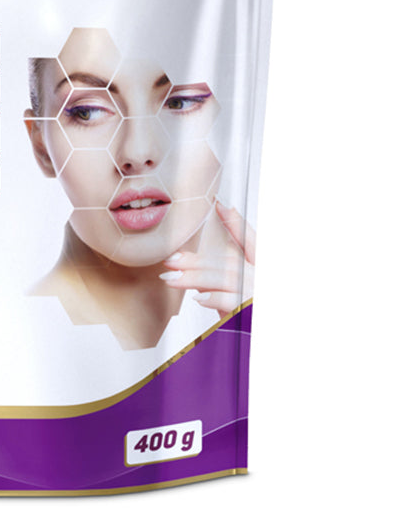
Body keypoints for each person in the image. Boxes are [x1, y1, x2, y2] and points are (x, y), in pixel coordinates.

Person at [24, 28, 255, 350]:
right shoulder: (5, 337)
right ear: (41, 147)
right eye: (87, 111)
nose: (137, 152)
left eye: (179, 102)